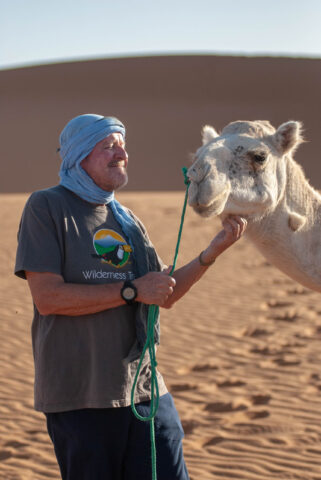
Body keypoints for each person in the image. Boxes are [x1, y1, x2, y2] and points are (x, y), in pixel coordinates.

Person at [14, 114, 247, 480]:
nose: (121, 153)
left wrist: (211, 252)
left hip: (145, 391)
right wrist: (131, 290)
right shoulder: (47, 207)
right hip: (81, 397)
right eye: (108, 145)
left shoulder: (127, 220)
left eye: (122, 145)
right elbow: (48, 298)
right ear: (78, 157)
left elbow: (163, 295)